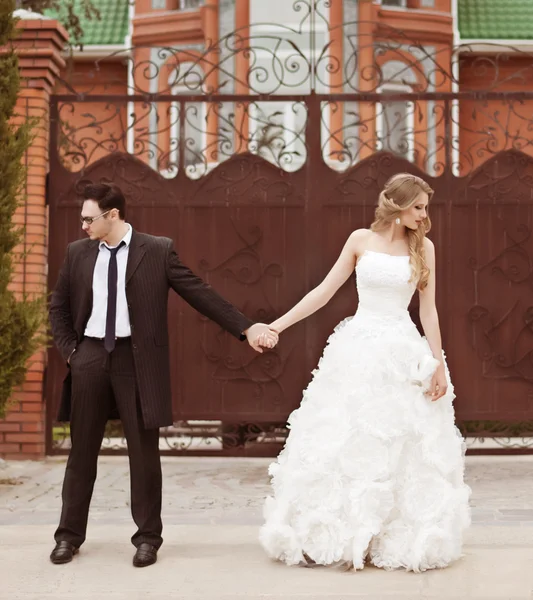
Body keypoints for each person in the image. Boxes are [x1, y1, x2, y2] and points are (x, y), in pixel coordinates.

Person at [49, 183, 278, 567]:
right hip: (88, 357)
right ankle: (68, 537)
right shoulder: (77, 254)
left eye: (90, 218)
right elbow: (58, 307)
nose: (83, 225)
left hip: (135, 363)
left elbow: (199, 292)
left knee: (143, 454)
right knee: (81, 454)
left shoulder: (155, 250)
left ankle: (147, 538)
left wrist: (246, 327)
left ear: (113, 215)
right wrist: (73, 352)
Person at [258, 173, 471, 572]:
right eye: (418, 207)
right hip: (357, 349)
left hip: (402, 353)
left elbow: (428, 309)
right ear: (397, 205)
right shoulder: (360, 240)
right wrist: (277, 325)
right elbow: (323, 292)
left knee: (398, 443)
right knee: (348, 436)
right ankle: (339, 529)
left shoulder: (423, 247)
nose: (424, 215)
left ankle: (387, 533)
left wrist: (438, 364)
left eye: (425, 207)